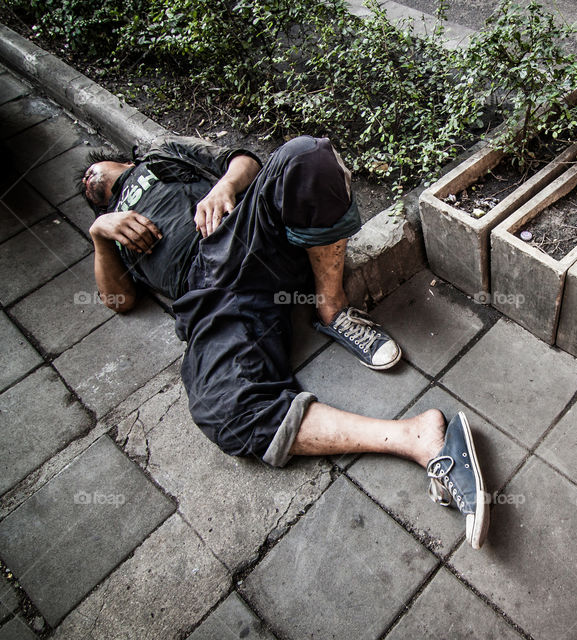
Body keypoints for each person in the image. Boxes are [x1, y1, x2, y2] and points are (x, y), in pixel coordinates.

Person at [80, 135, 489, 548]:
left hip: (242, 233)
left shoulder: (158, 154)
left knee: (307, 156)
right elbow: (119, 300)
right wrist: (100, 234)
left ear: (113, 160)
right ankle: (417, 437)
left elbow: (245, 162)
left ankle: (331, 309)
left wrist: (224, 185)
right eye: (84, 188)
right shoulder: (109, 230)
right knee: (224, 411)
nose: (87, 178)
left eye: (89, 169)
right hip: (206, 297)